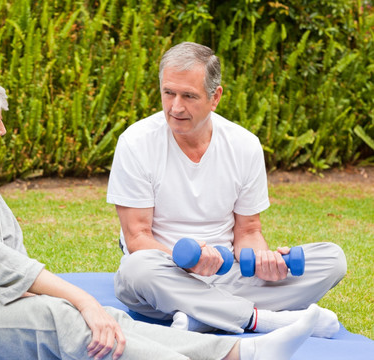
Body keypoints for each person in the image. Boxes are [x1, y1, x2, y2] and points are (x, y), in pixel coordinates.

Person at [0, 65, 322, 360]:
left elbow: (8, 241)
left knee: (105, 316)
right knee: (64, 320)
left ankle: (238, 351)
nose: (4, 131)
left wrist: (61, 298)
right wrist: (80, 300)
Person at [107, 42, 347, 337]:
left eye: (189, 96)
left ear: (215, 97)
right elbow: (137, 238)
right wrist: (190, 262)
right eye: (168, 93)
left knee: (332, 259)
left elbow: (248, 231)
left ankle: (202, 318)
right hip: (164, 276)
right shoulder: (136, 142)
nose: (176, 107)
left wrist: (264, 261)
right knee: (136, 269)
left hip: (229, 276)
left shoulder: (244, 145)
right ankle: (260, 320)